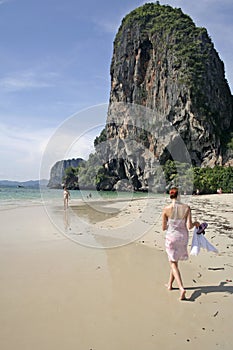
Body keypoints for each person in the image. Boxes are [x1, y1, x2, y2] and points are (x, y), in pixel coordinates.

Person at [162, 187, 199, 300]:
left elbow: (164, 227)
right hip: (183, 238)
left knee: (173, 263)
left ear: (170, 196)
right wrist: (196, 223)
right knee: (174, 263)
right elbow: (189, 226)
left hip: (171, 237)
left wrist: (171, 224)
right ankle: (170, 285)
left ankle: (181, 288)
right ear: (178, 196)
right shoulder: (187, 208)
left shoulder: (166, 209)